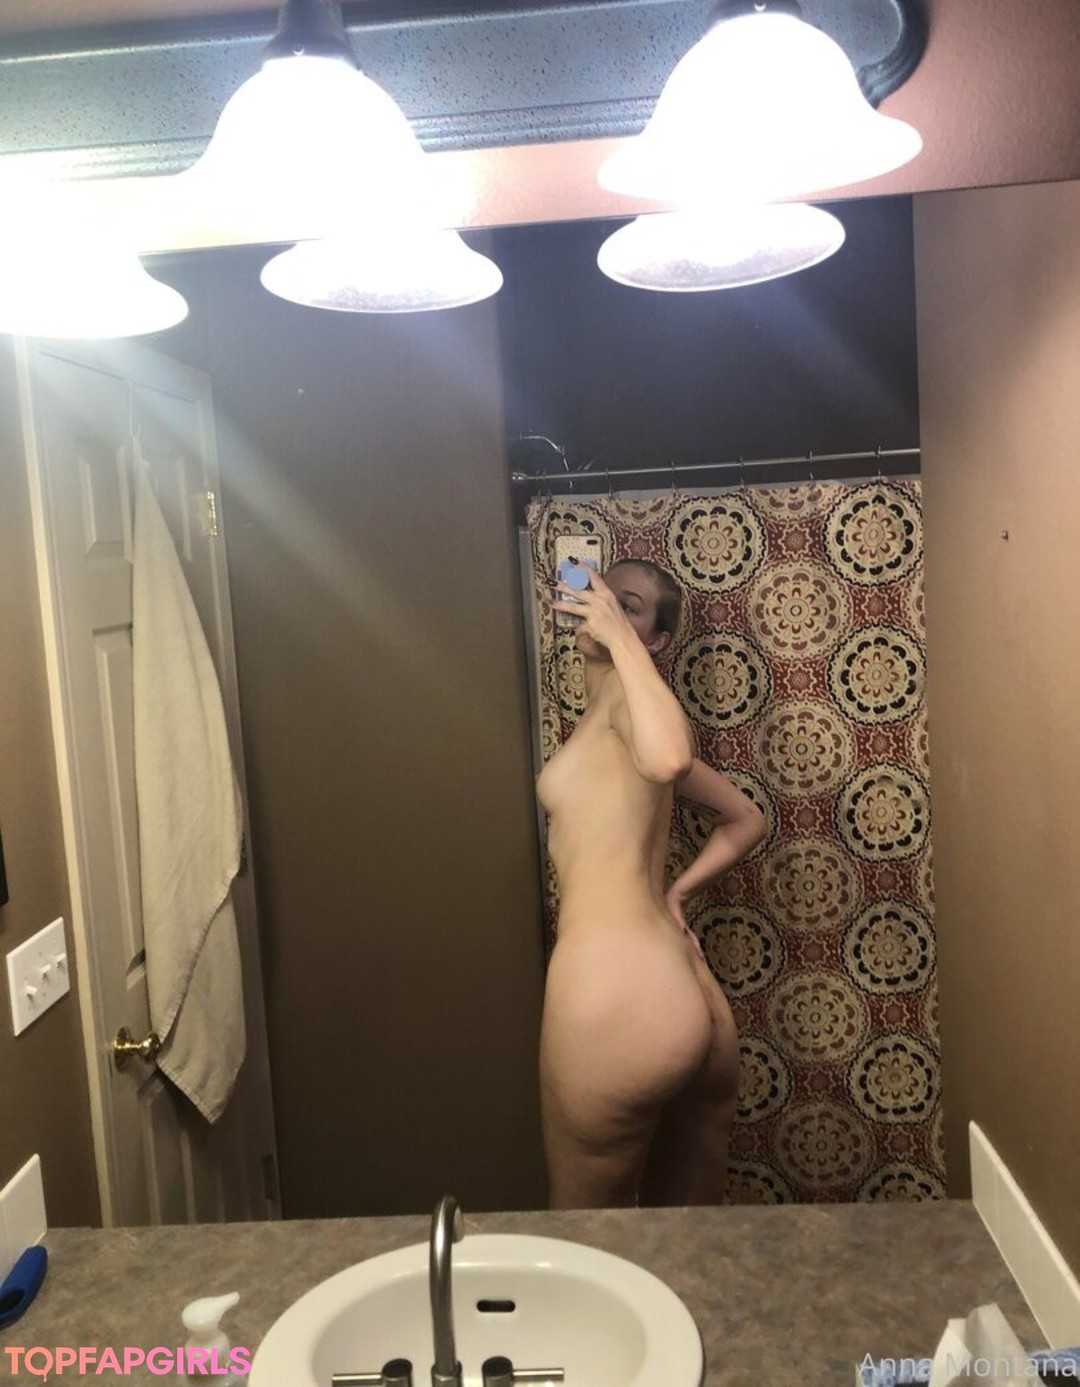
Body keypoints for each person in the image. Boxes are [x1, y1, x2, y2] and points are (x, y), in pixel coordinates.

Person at [537, 556, 767, 1208]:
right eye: (605, 592)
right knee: (687, 1233)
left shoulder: (625, 700)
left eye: (629, 606)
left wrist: (618, 639)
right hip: (684, 987)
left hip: (614, 997)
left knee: (583, 1231)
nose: (607, 606)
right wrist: (676, 893)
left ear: (656, 641)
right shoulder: (618, 721)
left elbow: (670, 758)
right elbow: (744, 818)